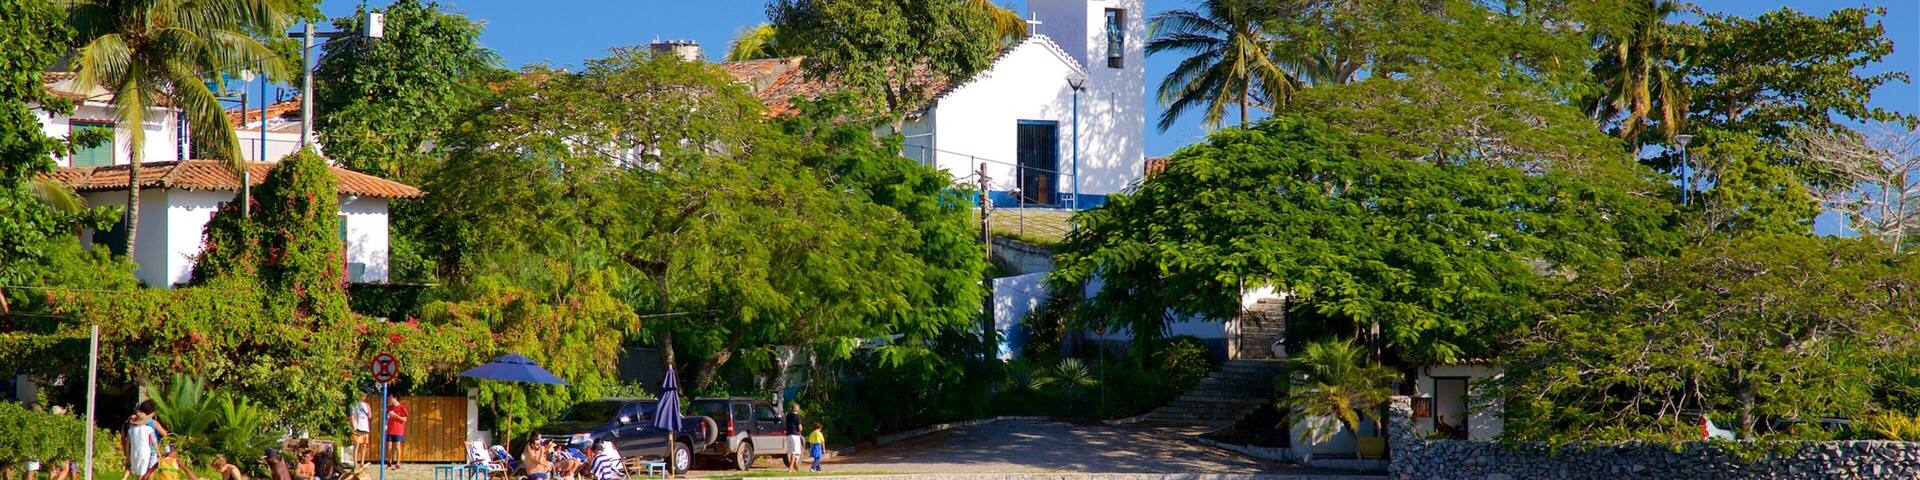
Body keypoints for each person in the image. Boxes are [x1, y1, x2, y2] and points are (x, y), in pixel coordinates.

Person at [126, 415, 160, 480]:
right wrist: (158, 452)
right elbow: (153, 442)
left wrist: (128, 455)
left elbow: (127, 444)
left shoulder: (131, 430)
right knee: (141, 473)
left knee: (138, 473)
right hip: (145, 453)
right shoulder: (148, 429)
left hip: (134, 452)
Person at [383, 398, 409, 470]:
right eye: (388, 398)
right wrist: (386, 423)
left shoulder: (402, 407)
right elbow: (387, 418)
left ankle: (398, 464)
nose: (389, 399)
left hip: (398, 430)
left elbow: (404, 419)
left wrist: (395, 415)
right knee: (389, 447)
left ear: (395, 398)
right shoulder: (389, 407)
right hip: (390, 430)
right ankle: (389, 463)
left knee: (397, 447)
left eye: (390, 398)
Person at [349, 396, 372, 465]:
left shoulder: (366, 405)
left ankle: (362, 462)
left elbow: (370, 416)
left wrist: (369, 409)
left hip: (365, 428)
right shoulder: (354, 405)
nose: (363, 397)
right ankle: (355, 462)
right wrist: (353, 427)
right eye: (362, 395)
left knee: (364, 445)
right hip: (357, 427)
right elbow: (352, 416)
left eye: (364, 395)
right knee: (356, 445)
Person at [782, 404, 804, 472]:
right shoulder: (797, 417)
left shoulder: (788, 416)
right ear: (798, 409)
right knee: (795, 452)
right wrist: (801, 431)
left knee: (792, 452)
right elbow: (800, 428)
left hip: (788, 435)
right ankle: (790, 468)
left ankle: (795, 467)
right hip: (795, 435)